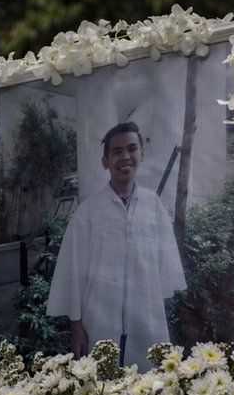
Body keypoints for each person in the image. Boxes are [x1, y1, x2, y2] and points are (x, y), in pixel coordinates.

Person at [46, 122, 186, 371]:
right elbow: (73, 271)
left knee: (150, 380)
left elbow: (165, 264)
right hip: (99, 318)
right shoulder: (87, 212)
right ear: (105, 162)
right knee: (103, 386)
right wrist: (77, 327)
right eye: (117, 151)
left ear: (141, 154)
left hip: (146, 315)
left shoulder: (153, 205)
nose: (125, 157)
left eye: (132, 149)